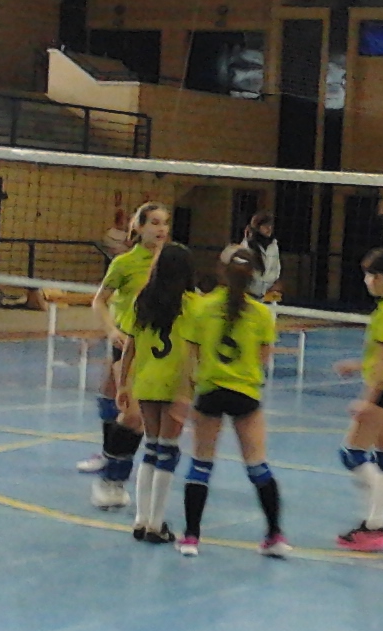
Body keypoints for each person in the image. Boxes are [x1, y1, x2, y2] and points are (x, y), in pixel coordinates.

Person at [180, 246, 289, 558]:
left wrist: (188, 394)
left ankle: (191, 537)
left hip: (210, 390)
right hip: (245, 393)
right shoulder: (261, 314)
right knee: (257, 465)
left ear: (220, 271)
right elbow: (264, 359)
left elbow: (192, 357)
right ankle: (274, 536)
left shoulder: (201, 308)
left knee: (201, 463)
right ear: (254, 275)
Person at [82, 202, 171, 507]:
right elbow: (99, 301)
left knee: (118, 399)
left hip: (161, 347)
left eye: (165, 223)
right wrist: (111, 330)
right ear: (139, 227)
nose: (161, 229)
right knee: (129, 411)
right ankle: (111, 475)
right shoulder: (125, 263)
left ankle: (110, 460)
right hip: (128, 343)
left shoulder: (174, 261)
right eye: (155, 223)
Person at [332, 248, 383, 551]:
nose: (366, 280)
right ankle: (378, 520)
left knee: (352, 453)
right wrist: (356, 365)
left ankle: (378, 521)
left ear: (380, 278)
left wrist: (368, 401)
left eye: (369, 275)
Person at [125, 241, 197, 544]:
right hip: (176, 383)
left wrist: (122, 385)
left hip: (146, 381)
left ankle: (141, 520)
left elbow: (129, 346)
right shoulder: (192, 304)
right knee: (168, 451)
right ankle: (156, 523)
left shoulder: (143, 299)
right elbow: (197, 350)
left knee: (151, 448)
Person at [243, 211, 283, 302]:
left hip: (269, 294)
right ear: (257, 228)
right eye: (265, 226)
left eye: (270, 225)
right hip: (249, 295)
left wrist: (275, 283)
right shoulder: (247, 246)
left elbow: (276, 267)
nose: (269, 229)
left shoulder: (274, 245)